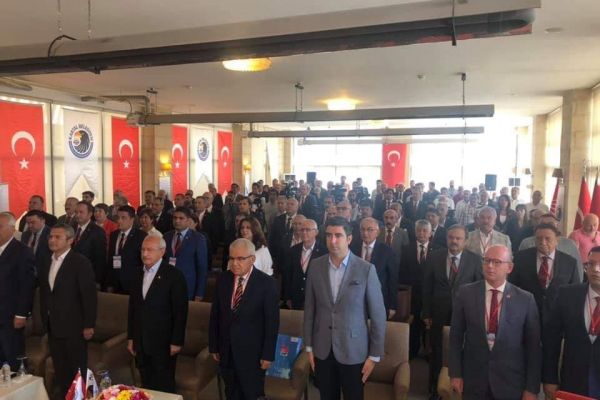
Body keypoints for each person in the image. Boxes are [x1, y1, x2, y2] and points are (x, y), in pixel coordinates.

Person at [303, 216, 387, 400]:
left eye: (338, 235)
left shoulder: (366, 269)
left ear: (349, 239)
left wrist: (374, 355)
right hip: (323, 347)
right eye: (329, 235)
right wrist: (308, 346)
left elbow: (378, 316)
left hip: (354, 349)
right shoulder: (316, 266)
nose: (332, 241)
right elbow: (310, 309)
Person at [448, 245, 541, 400]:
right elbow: (455, 337)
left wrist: (531, 388)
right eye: (487, 261)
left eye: (497, 262)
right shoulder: (466, 293)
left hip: (510, 382)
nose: (490, 266)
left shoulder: (525, 299)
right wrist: (455, 373)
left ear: (509, 267)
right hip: (474, 379)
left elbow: (533, 348)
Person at [209, 238, 279, 400]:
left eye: (240, 259)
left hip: (253, 354)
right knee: (231, 392)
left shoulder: (266, 284)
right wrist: (214, 346)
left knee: (251, 393)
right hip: (226, 350)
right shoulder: (223, 279)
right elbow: (215, 315)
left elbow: (272, 323)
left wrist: (268, 354)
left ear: (252, 259)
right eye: (232, 258)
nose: (235, 263)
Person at [422, 224, 483, 397]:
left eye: (458, 238)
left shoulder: (475, 260)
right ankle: (434, 388)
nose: (454, 241)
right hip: (438, 312)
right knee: (436, 349)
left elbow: (480, 289)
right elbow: (427, 286)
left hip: (465, 314)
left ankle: (458, 386)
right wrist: (426, 313)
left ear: (465, 241)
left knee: (461, 349)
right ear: (446, 238)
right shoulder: (434, 257)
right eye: (451, 237)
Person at [39, 223, 97, 398]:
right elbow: (45, 293)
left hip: (74, 326)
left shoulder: (80, 262)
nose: (52, 240)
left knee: (76, 370)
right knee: (61, 369)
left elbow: (89, 296)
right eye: (50, 237)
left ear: (70, 240)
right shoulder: (46, 261)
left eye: (58, 237)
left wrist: (89, 324)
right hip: (53, 326)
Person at [127, 235, 188, 393]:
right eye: (143, 250)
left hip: (163, 343)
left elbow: (180, 312)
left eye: (149, 250)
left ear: (162, 252)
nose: (145, 254)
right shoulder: (137, 274)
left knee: (163, 385)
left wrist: (176, 341)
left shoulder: (174, 275)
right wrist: (131, 337)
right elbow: (133, 309)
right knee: (145, 383)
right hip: (141, 341)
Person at [543, 246, 600, 399]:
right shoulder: (568, 294)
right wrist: (550, 378)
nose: (595, 269)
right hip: (573, 381)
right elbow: (551, 339)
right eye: (591, 264)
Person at [510, 223, 579, 321]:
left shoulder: (569, 262)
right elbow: (512, 286)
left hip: (558, 316)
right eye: (539, 238)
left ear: (557, 241)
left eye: (547, 239)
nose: (543, 242)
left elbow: (575, 291)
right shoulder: (521, 258)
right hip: (526, 314)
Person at [400, 219, 443, 362]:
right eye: (419, 230)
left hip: (430, 295)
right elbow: (402, 272)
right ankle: (412, 351)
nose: (421, 233)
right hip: (412, 295)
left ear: (430, 233)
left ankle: (428, 352)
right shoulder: (406, 249)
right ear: (414, 231)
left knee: (428, 324)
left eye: (425, 231)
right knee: (413, 325)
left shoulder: (439, 250)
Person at [0, 212, 35, 371]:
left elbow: (26, 286)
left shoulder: (22, 251)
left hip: (10, 314)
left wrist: (21, 314)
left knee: (12, 354)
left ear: (12, 229)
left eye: (0, 227)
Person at [351, 217, 398, 318]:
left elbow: (392, 280)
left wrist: (392, 305)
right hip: (355, 300)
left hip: (378, 299)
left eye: (369, 230)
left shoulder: (387, 251)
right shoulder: (352, 248)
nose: (365, 233)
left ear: (378, 232)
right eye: (362, 229)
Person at [519, 212, 583, 281]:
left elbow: (578, 270)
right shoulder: (526, 243)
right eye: (543, 224)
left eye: (550, 224)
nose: (547, 227)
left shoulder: (569, 244)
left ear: (557, 226)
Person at [163, 207, 209, 301]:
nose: (177, 221)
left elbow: (202, 267)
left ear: (188, 220)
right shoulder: (167, 236)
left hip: (188, 286)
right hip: (168, 285)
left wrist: (199, 293)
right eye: (175, 218)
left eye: (181, 218)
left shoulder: (198, 238)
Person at [284, 219, 328, 310]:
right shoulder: (293, 250)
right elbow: (287, 275)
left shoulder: (324, 252)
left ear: (316, 232)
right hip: (296, 297)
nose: (304, 232)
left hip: (315, 298)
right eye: (302, 230)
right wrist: (287, 297)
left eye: (307, 230)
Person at [107, 206, 147, 294]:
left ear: (132, 219)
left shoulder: (141, 236)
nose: (119, 221)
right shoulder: (114, 235)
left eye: (123, 218)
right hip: (115, 282)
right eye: (118, 217)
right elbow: (110, 259)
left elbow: (143, 262)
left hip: (132, 283)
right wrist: (109, 283)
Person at [72, 201, 107, 287]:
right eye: (76, 212)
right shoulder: (71, 228)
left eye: (81, 212)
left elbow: (100, 259)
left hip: (88, 276)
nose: (77, 215)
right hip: (72, 276)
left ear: (90, 214)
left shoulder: (97, 231)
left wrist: (97, 280)